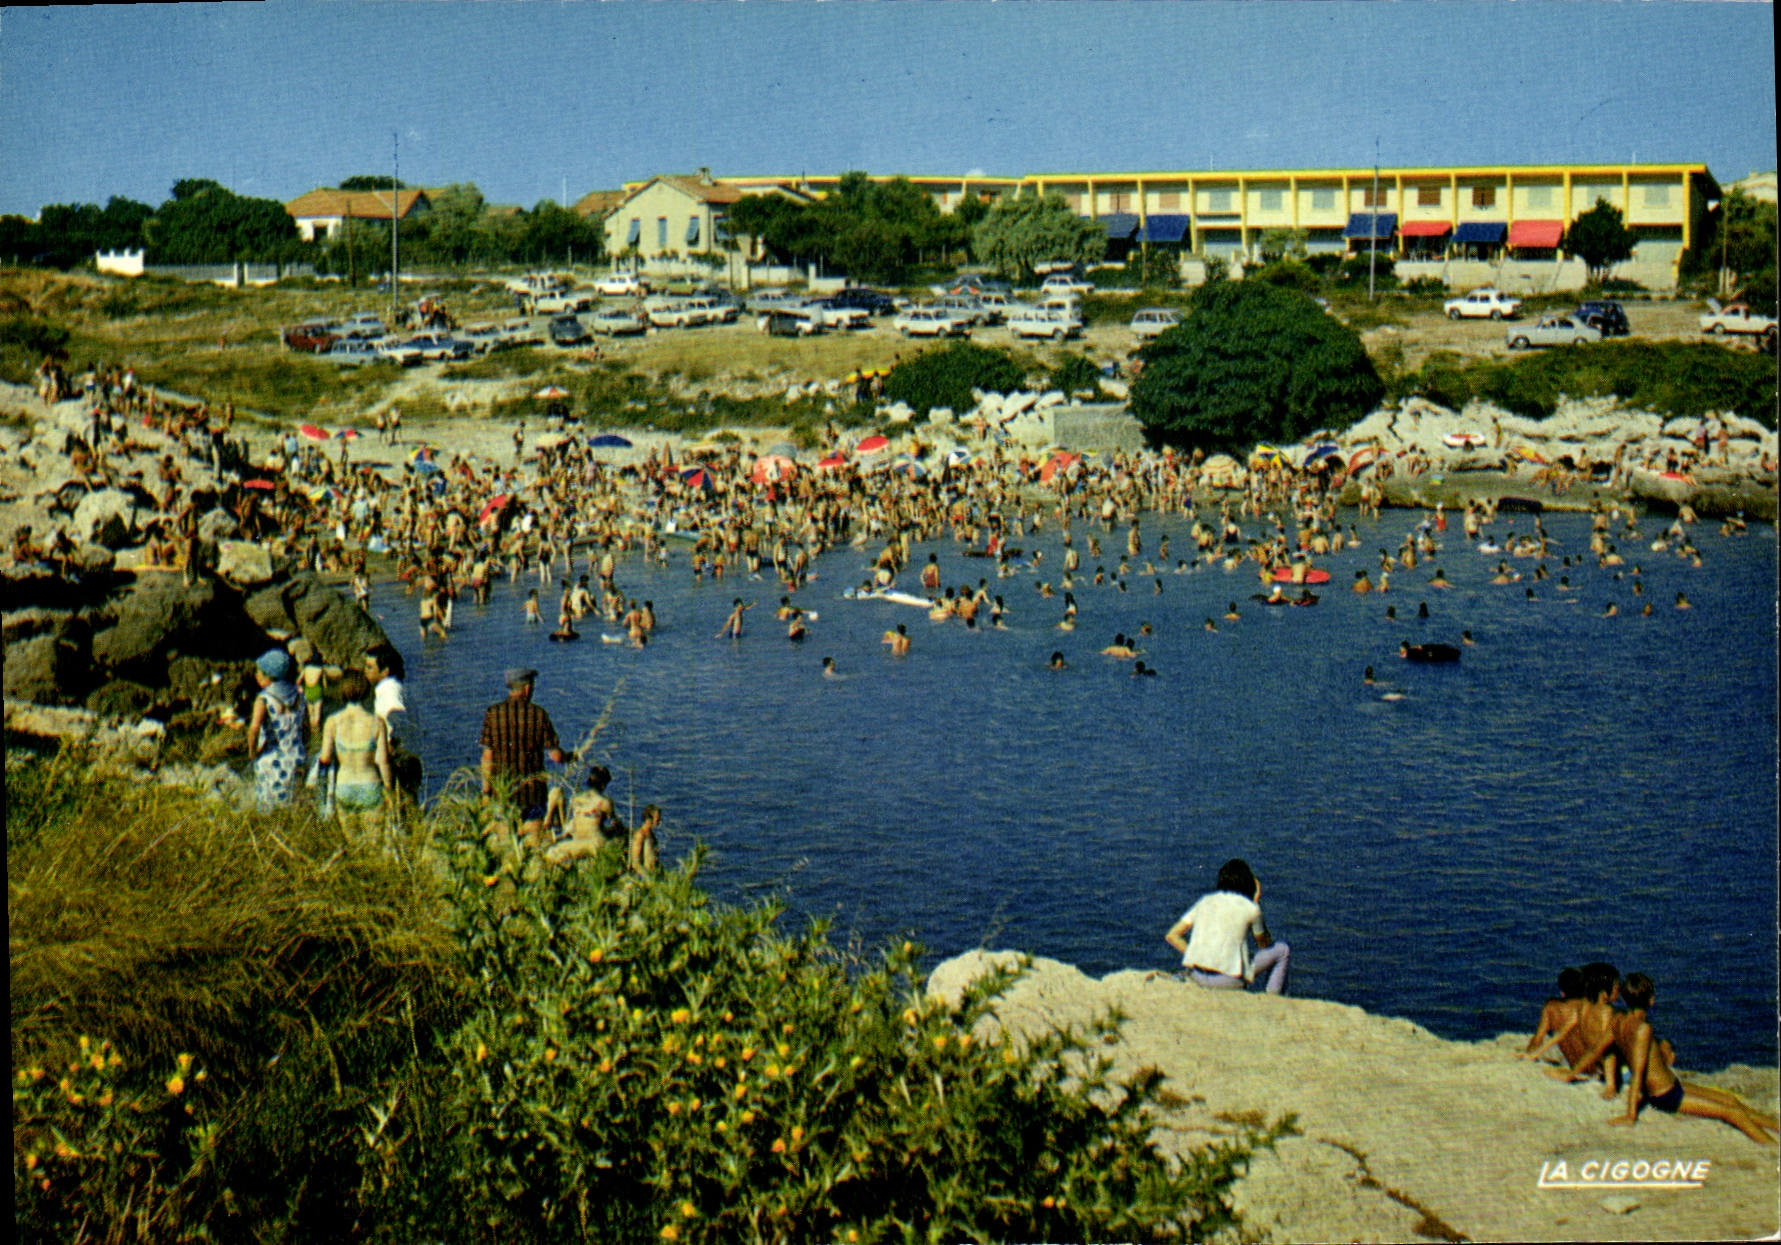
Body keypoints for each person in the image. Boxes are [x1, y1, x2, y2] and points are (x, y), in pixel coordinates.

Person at [1594, 974, 1778, 1143]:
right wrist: (1630, 1115)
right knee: (1732, 1113)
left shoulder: (1617, 1020)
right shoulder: (1643, 1028)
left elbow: (1596, 1050)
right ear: (1651, 1000)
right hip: (1665, 1095)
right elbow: (1638, 1071)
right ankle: (1771, 1147)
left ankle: (1776, 1125)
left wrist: (1572, 1072)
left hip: (1672, 1087)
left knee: (1729, 1099)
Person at [1163, 858, 1289, 995]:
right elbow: (1264, 944)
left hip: (1198, 976)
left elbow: (1172, 936)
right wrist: (1256, 902)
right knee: (1282, 950)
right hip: (1229, 981)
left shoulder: (1206, 902)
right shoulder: (1250, 908)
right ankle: (1273, 998)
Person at [480, 667, 570, 842]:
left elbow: (487, 758)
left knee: (506, 844)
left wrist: (486, 791)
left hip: (503, 793)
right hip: (532, 794)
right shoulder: (538, 714)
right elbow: (556, 756)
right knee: (533, 844)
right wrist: (569, 757)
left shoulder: (493, 713)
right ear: (527, 688)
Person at [316, 669, 392, 837]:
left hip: (344, 787)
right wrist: (389, 791)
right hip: (370, 785)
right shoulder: (377, 723)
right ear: (366, 691)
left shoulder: (333, 721)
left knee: (353, 844)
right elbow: (383, 762)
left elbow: (325, 758)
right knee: (374, 844)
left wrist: (321, 796)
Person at [247, 648, 305, 808]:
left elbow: (254, 729)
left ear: (268, 676)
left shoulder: (264, 699)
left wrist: (252, 753)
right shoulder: (300, 694)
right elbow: (303, 727)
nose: (256, 675)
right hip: (297, 757)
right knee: (293, 808)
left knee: (269, 811)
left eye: (259, 671)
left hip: (273, 761)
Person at [544, 765, 621, 867]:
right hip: (595, 843)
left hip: (578, 840)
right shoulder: (604, 802)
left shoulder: (577, 799)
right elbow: (615, 824)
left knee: (552, 852)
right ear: (603, 785)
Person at [630, 803, 661, 873]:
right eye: (657, 819)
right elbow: (635, 863)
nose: (659, 821)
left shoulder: (651, 835)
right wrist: (646, 877)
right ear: (649, 818)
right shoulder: (640, 835)